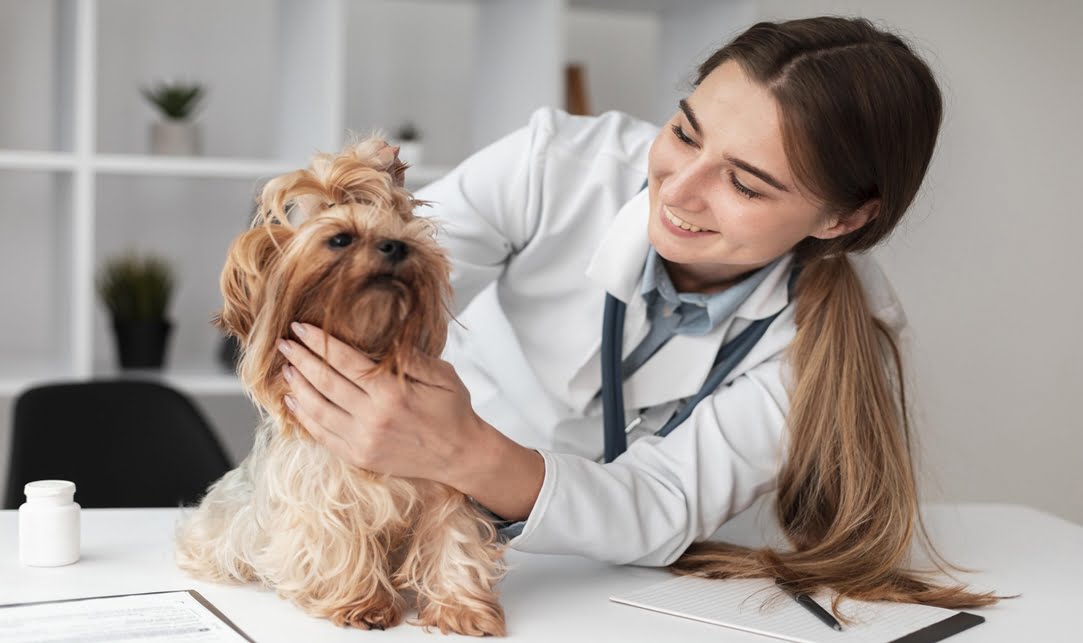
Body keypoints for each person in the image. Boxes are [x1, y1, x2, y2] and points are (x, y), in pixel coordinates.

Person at [276, 16, 999, 608]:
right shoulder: (555, 165)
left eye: (744, 183)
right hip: (427, 535)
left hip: (645, 590)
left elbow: (665, 501)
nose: (679, 191)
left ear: (840, 219)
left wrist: (470, 453)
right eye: (684, 133)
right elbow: (351, 294)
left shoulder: (840, 332)